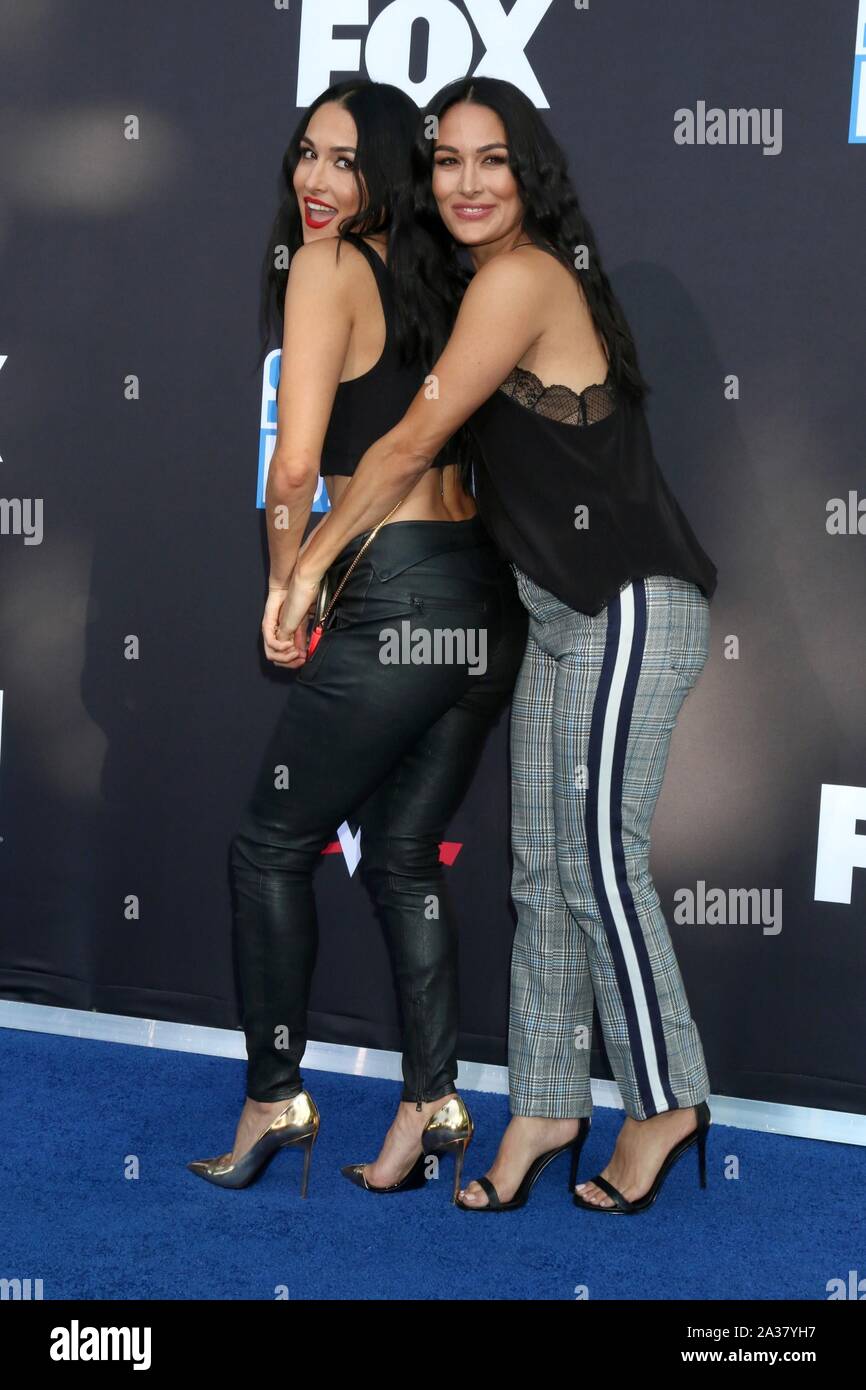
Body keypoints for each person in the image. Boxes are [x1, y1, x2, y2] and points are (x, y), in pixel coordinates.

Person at [277, 77, 717, 1216]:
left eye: (492, 161)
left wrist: (309, 564)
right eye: (447, 163)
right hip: (557, 614)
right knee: (537, 870)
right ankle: (543, 1104)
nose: (467, 183)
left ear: (530, 175)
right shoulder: (477, 282)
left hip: (625, 599)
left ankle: (665, 1100)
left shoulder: (521, 278)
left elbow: (414, 438)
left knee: (594, 861)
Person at [186, 80, 528, 1201]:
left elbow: (295, 467)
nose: (316, 182)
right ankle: (432, 1100)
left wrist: (291, 577)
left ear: (384, 169)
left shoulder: (325, 268)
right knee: (396, 854)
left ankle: (274, 1092)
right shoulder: (446, 276)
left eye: (343, 160)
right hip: (479, 600)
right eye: (304, 156)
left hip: (396, 592)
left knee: (269, 845)